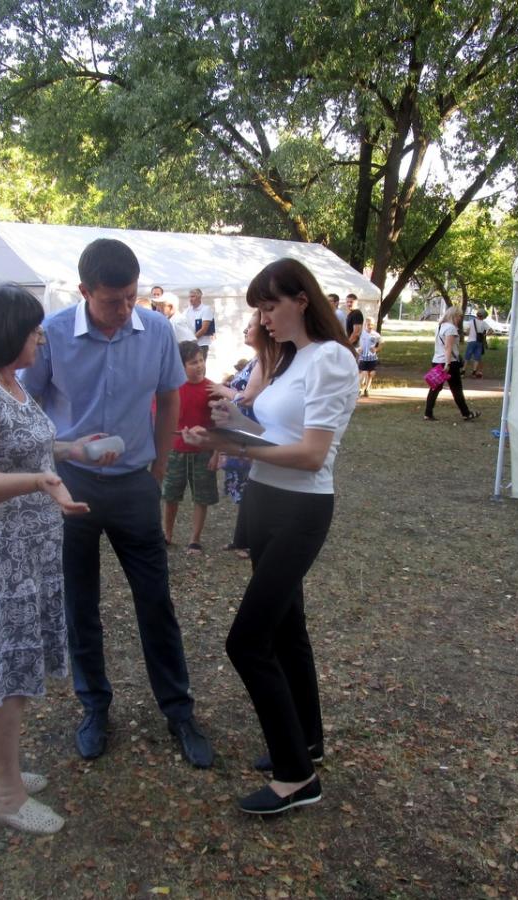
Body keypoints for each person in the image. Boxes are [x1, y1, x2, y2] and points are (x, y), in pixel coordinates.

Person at [20, 238, 214, 768]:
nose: (125, 308)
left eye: (131, 296)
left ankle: (178, 710)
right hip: (72, 483)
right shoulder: (54, 334)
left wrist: (156, 471)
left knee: (155, 600)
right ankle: (94, 706)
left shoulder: (155, 331)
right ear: (84, 291)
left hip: (134, 485)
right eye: (112, 300)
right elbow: (27, 400)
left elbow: (171, 395)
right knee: (80, 604)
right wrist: (50, 461)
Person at [0, 282, 111, 836]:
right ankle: (4, 796)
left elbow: (10, 442)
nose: (40, 339)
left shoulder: (4, 380)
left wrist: (69, 450)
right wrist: (39, 479)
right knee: (3, 671)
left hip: (19, 555)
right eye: (34, 331)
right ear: (8, 333)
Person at [182, 257, 358, 816]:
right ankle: (306, 741)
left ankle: (296, 777)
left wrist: (234, 445)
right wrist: (228, 426)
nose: (263, 317)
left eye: (271, 305)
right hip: (263, 499)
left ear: (301, 300)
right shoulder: (289, 361)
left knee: (246, 642)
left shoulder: (331, 359)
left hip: (300, 508)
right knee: (286, 631)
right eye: (259, 307)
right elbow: (273, 433)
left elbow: (309, 455)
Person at [209, 312, 276, 559]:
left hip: (251, 427)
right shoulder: (257, 359)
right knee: (246, 487)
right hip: (242, 425)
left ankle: (251, 542)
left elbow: (246, 397)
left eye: (250, 326)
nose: (245, 330)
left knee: (252, 485)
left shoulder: (265, 359)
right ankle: (244, 538)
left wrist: (220, 389)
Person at [162, 341, 219, 553]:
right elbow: (159, 415)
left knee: (201, 497)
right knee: (170, 496)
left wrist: (217, 453)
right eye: (193, 362)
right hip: (175, 451)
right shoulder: (171, 389)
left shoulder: (212, 389)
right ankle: (167, 535)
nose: (199, 365)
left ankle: (195, 539)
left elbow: (220, 425)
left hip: (203, 452)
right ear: (181, 365)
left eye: (201, 360)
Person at [424, 306, 479, 421]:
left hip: (437, 360)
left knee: (435, 388)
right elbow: (448, 347)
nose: (460, 318)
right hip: (449, 363)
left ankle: (428, 413)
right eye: (459, 316)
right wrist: (447, 364)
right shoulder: (451, 328)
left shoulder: (440, 327)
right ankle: (466, 413)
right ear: (454, 315)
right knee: (456, 389)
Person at [186, 288, 215, 363]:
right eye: (190, 297)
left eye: (193, 296)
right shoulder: (188, 310)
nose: (190, 299)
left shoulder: (206, 309)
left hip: (201, 344)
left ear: (199, 297)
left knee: (200, 366)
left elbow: (204, 329)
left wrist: (192, 340)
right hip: (191, 343)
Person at [357, 320, 382, 396]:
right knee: (363, 373)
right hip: (363, 357)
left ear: (373, 325)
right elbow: (357, 342)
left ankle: (366, 389)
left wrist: (376, 349)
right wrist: (358, 349)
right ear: (365, 324)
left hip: (372, 358)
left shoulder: (376, 335)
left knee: (371, 374)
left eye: (371, 325)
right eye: (368, 324)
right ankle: (359, 389)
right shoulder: (361, 334)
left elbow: (382, 343)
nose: (370, 326)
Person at [465, 308, 489, 378]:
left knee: (467, 357)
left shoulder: (471, 322)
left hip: (471, 341)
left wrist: (469, 334)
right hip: (479, 342)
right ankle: (474, 372)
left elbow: (467, 331)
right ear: (484, 316)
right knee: (477, 358)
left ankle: (463, 371)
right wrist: (484, 335)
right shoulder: (484, 323)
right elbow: (491, 330)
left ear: (477, 314)